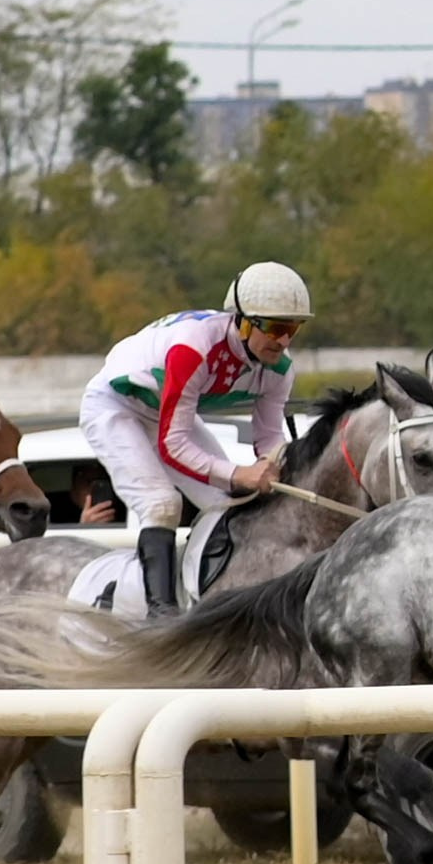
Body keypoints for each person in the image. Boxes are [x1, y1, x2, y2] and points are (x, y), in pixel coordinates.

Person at [78, 261, 309, 617]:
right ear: (245, 322)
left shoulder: (280, 368)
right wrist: (239, 473)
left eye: (293, 329)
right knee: (161, 504)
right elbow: (173, 446)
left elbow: (269, 435)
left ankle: (212, 593)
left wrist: (270, 465)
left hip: (163, 413)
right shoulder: (195, 349)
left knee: (226, 502)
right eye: (277, 328)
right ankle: (160, 614)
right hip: (114, 406)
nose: (284, 341)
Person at [48, 462, 122, 526]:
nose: (94, 490)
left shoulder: (125, 509)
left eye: (101, 483)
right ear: (74, 486)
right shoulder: (55, 512)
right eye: (89, 482)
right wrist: (84, 527)